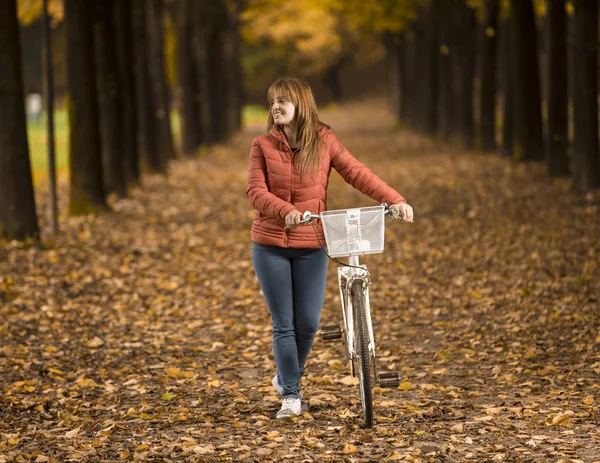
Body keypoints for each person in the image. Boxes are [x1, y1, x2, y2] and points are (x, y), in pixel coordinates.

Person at [246, 77, 414, 419]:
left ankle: (285, 376)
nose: (275, 107)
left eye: (283, 101)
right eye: (272, 102)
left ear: (301, 106)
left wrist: (393, 199)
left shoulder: (324, 140)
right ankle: (291, 394)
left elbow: (356, 172)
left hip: (312, 244)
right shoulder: (261, 145)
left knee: (307, 324)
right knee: (284, 324)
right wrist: (287, 212)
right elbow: (255, 192)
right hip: (270, 245)